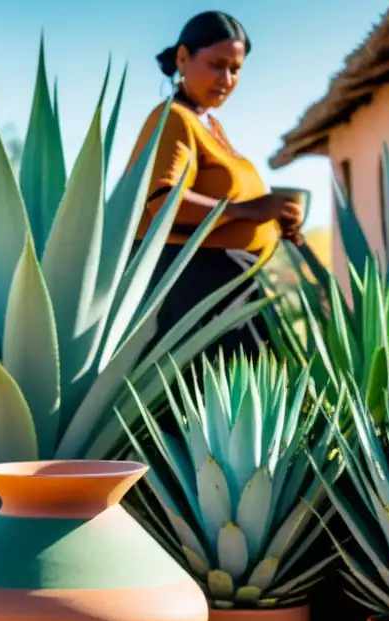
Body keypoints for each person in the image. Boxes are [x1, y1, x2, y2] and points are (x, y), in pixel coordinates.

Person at [127, 11, 305, 360]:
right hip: (197, 294)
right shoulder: (173, 119)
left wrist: (271, 220)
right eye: (216, 64)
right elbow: (163, 203)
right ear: (183, 58)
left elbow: (226, 207)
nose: (226, 78)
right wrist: (255, 210)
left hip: (228, 291)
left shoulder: (210, 125)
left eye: (235, 69)